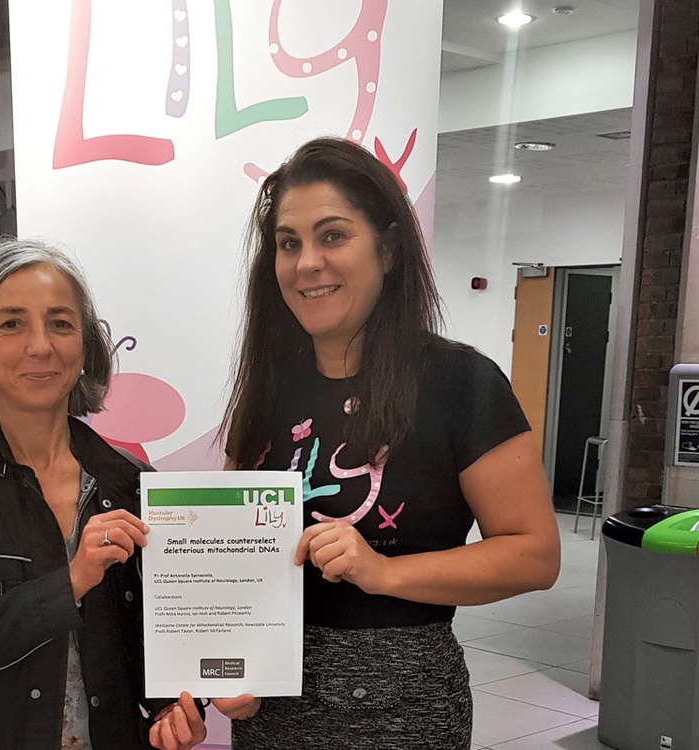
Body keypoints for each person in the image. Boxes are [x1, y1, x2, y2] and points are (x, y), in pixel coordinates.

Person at [213, 137, 561, 749]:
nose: (306, 263)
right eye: (288, 243)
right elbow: (237, 559)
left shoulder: (461, 382)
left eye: (333, 236)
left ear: (390, 247)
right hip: (273, 712)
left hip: (402, 705)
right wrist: (235, 663)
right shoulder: (266, 390)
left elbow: (535, 555)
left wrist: (382, 571)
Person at [0, 239, 206, 750]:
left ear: (86, 347)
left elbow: (150, 639)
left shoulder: (132, 483)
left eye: (60, 323)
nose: (41, 346)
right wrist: (73, 580)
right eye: (12, 323)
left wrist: (175, 708)